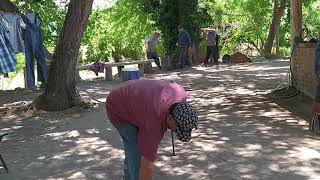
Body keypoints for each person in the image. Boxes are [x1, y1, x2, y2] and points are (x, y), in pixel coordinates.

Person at [105, 80, 198, 180]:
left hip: (138, 102)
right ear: (170, 118)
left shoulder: (181, 95)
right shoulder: (154, 123)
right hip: (118, 105)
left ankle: (128, 176)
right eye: (176, 130)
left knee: (138, 149)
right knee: (136, 149)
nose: (175, 132)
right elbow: (146, 164)